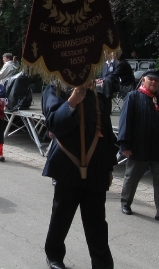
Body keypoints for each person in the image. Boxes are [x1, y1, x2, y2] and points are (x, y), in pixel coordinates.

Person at [42, 80, 117, 269]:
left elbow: (107, 134)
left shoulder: (98, 95)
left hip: (97, 168)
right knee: (62, 215)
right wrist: (73, 101)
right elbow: (54, 124)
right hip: (68, 166)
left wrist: (109, 167)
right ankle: (54, 255)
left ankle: (102, 264)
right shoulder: (55, 89)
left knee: (97, 222)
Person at [117, 70, 159, 225]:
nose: (154, 82)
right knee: (132, 177)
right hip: (139, 147)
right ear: (143, 80)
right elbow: (125, 122)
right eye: (151, 79)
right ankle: (125, 203)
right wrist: (125, 144)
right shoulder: (133, 97)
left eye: (157, 80)